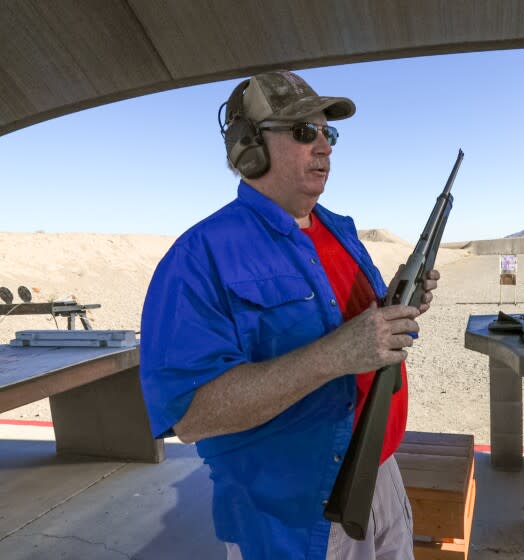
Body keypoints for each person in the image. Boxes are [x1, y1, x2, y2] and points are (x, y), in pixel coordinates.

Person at [139, 70, 439, 560]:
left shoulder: (339, 232)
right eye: (304, 132)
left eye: (328, 132)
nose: (324, 146)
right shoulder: (198, 257)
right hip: (292, 515)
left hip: (380, 473)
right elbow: (190, 415)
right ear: (248, 147)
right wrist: (334, 357)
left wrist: (397, 305)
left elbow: (357, 330)